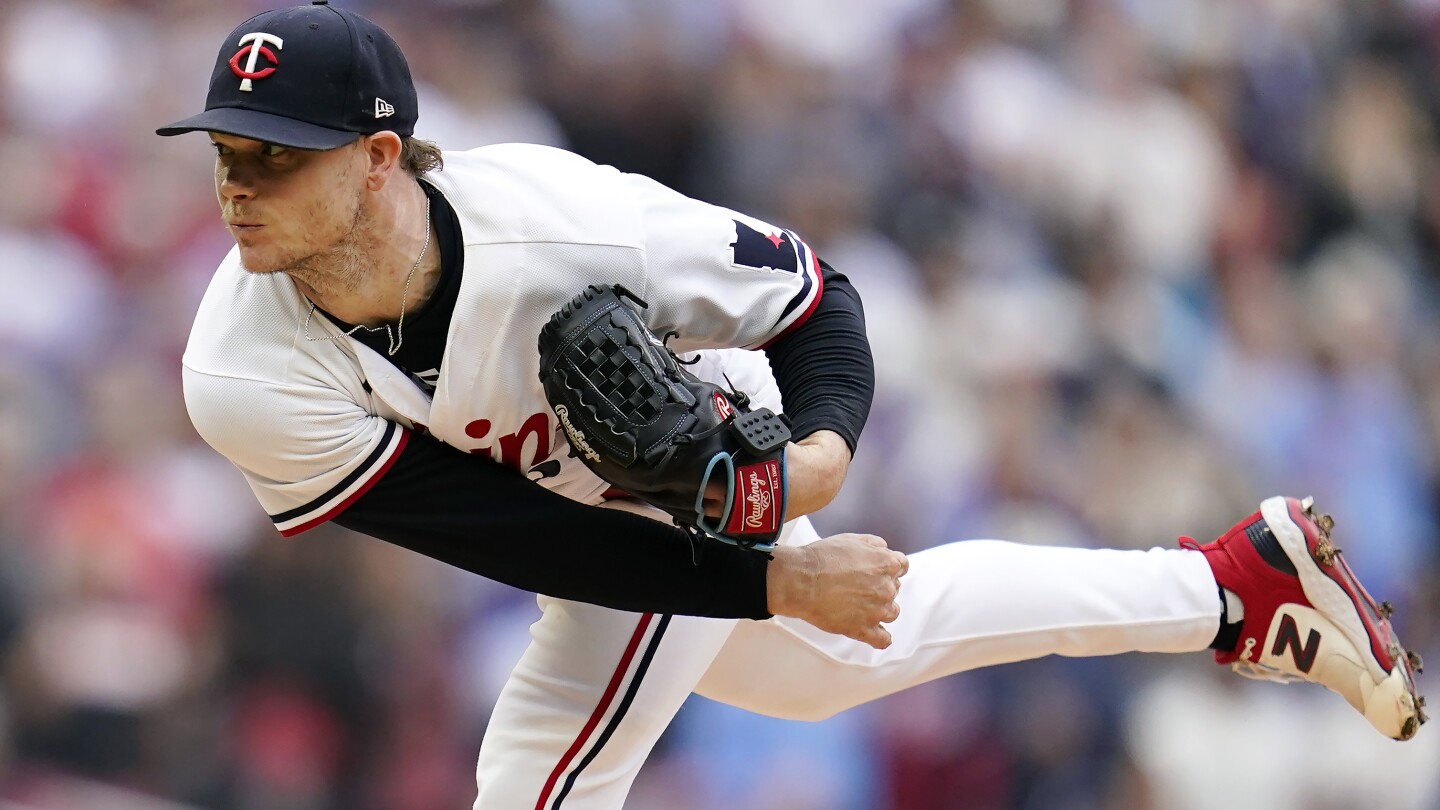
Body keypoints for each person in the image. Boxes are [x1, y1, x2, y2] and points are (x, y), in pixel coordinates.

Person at [157, 3, 1426, 807]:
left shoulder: (563, 224)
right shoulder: (239, 368)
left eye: (275, 153)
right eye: (227, 150)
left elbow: (818, 299)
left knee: (537, 770)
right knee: (822, 668)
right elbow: (507, 537)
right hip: (568, 510)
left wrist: (810, 465)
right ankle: (1233, 586)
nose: (237, 184)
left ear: (381, 159)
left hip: (698, 442)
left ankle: (1226, 590)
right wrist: (775, 589)